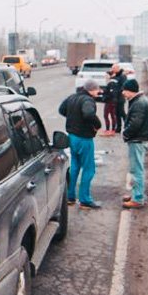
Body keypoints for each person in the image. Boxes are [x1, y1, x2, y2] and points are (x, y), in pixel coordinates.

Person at [57, 79, 104, 209]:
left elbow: (61, 110)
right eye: (96, 89)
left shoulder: (72, 97)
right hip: (84, 138)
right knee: (89, 169)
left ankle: (70, 197)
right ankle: (85, 200)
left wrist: (73, 118)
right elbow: (88, 114)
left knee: (75, 166)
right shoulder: (87, 100)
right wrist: (97, 125)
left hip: (72, 137)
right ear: (90, 90)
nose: (98, 91)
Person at [122, 78, 148, 209]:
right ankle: (136, 194)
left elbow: (135, 123)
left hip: (137, 140)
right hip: (139, 139)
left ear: (131, 91)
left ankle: (138, 198)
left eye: (125, 90)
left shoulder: (139, 104)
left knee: (136, 170)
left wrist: (126, 133)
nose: (123, 93)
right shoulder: (139, 101)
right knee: (136, 169)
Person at [110, 65, 128, 133]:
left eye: (114, 68)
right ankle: (118, 127)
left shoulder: (122, 76)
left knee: (122, 112)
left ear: (118, 68)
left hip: (120, 97)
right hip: (115, 98)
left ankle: (127, 126)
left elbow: (123, 86)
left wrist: (118, 93)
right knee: (116, 113)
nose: (112, 69)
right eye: (112, 68)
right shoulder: (115, 76)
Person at [101, 71, 119, 135]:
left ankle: (110, 129)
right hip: (111, 101)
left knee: (107, 115)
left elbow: (112, 93)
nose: (105, 77)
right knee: (111, 115)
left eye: (106, 76)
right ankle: (111, 129)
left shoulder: (112, 83)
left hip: (110, 102)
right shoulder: (111, 82)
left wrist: (104, 95)